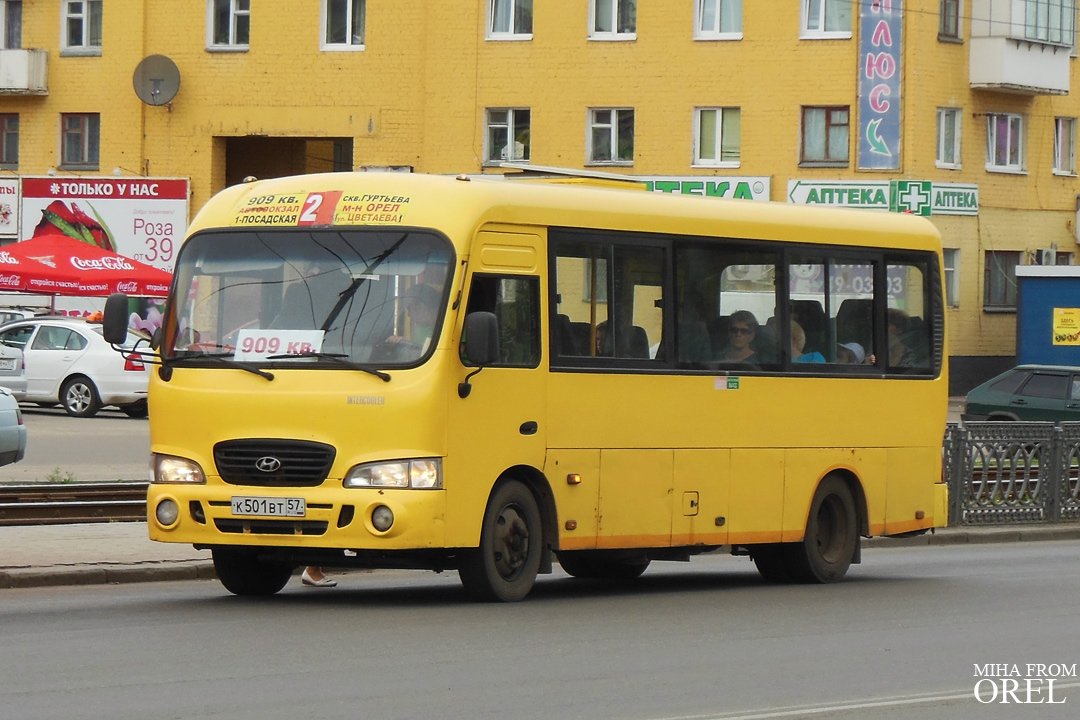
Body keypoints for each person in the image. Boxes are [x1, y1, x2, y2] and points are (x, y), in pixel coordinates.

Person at [386, 282, 440, 354]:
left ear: (421, 307)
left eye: (409, 309)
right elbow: (419, 349)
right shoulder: (420, 327)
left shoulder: (448, 327)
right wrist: (403, 341)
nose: (408, 314)